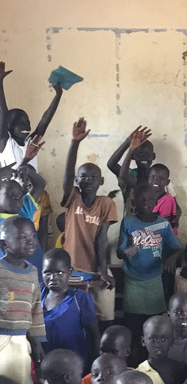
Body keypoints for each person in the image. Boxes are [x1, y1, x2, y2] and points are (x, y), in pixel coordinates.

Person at [61, 117, 117, 323]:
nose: (88, 180)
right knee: (74, 317)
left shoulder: (106, 203)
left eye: (93, 177)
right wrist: (75, 143)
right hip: (72, 268)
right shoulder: (73, 197)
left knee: (104, 316)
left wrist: (102, 269)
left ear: (101, 181)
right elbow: (68, 174)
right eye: (83, 176)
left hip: (96, 265)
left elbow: (102, 238)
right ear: (77, 180)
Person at [117, 180, 182, 349]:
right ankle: (134, 358)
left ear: (156, 202)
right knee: (133, 326)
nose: (146, 202)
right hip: (133, 282)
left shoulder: (163, 224)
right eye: (141, 199)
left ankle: (152, 357)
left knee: (155, 327)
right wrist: (126, 252)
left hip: (154, 282)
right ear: (134, 202)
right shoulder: (128, 222)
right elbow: (119, 252)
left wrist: (171, 259)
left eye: (150, 199)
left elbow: (178, 248)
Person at [0, 216, 45, 384]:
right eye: (22, 237)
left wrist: (37, 342)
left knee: (20, 383)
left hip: (21, 340)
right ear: (4, 244)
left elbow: (36, 309)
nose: (30, 241)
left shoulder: (32, 272)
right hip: (1, 337)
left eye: (32, 236)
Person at [41, 247, 99, 372]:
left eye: (59, 272)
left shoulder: (80, 299)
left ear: (70, 271)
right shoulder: (38, 294)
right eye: (47, 272)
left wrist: (92, 365)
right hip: (44, 364)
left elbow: (94, 334)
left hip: (73, 367)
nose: (53, 277)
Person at [0, 62, 62, 173]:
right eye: (21, 122)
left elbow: (44, 122)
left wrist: (58, 95)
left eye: (27, 121)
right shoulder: (6, 142)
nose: (27, 125)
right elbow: (3, 113)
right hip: (12, 185)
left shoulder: (29, 143)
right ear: (9, 125)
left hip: (31, 185)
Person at [107, 125, 155, 204]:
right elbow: (111, 165)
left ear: (153, 156)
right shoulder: (130, 174)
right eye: (140, 154)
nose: (144, 157)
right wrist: (128, 142)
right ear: (132, 156)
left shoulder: (159, 176)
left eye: (147, 154)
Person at [149, 162, 181, 233]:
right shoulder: (146, 197)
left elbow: (162, 227)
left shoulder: (167, 200)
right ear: (148, 178)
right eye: (153, 177)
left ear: (167, 182)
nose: (156, 180)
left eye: (161, 178)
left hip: (164, 236)